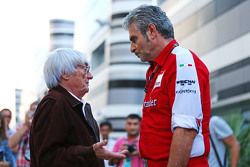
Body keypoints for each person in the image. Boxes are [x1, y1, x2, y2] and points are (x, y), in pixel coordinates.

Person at [123, 5, 211, 167]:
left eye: (134, 39)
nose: (132, 48)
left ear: (151, 31)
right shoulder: (155, 69)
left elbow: (185, 130)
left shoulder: (181, 61)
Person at [29, 48, 127, 167]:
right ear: (65, 73)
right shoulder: (54, 103)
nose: (90, 76)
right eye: (85, 70)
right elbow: (48, 158)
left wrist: (97, 154)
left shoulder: (77, 105)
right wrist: (90, 152)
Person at [8, 101, 38, 167]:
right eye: (32, 110)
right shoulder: (20, 126)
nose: (33, 113)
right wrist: (26, 125)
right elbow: (11, 144)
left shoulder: (44, 127)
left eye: (36, 110)